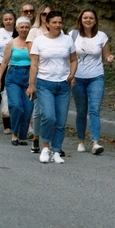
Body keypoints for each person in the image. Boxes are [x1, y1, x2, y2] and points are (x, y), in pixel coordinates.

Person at [27, 11, 76, 164]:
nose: (57, 25)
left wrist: (72, 74)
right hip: (44, 83)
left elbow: (73, 60)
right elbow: (34, 64)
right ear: (47, 24)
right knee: (49, 116)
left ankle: (56, 151)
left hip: (63, 84)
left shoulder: (68, 40)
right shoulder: (39, 41)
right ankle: (45, 147)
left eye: (60, 22)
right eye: (54, 22)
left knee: (61, 120)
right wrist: (32, 84)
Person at [71, 9, 114, 154]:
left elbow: (106, 55)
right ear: (80, 19)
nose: (88, 20)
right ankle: (81, 141)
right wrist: (69, 75)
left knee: (94, 109)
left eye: (91, 18)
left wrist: (109, 58)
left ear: (95, 20)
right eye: (85, 17)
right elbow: (68, 56)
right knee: (81, 111)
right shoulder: (73, 35)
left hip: (96, 76)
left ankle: (95, 142)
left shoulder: (101, 36)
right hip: (78, 77)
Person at [0, 16, 32, 146]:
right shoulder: (11, 43)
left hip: (29, 75)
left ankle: (22, 136)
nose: (24, 29)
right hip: (13, 76)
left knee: (28, 108)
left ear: (30, 28)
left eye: (26, 27)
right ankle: (15, 133)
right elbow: (4, 62)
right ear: (17, 28)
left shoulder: (33, 43)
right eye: (21, 27)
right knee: (16, 106)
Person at [25, 4, 51, 154]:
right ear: (39, 16)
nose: (46, 17)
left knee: (50, 111)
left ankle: (49, 141)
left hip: (54, 75)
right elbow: (32, 54)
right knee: (38, 110)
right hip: (39, 72)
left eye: (49, 14)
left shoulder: (58, 32)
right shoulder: (34, 32)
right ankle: (36, 138)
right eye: (43, 14)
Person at [0, 9, 17, 135]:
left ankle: (16, 121)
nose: (8, 21)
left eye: (10, 19)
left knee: (14, 93)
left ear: (14, 20)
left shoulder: (19, 32)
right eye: (6, 19)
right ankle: (7, 124)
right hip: (0, 63)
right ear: (2, 21)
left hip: (15, 64)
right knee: (1, 93)